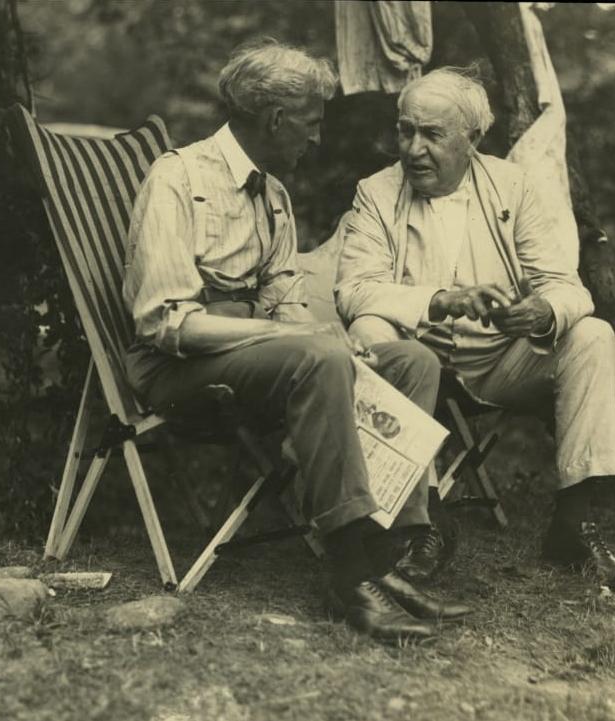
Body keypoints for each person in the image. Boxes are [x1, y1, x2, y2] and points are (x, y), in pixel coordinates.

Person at [122, 40, 470, 643]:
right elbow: (167, 324)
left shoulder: (275, 197)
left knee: (409, 359)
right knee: (319, 354)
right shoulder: (176, 178)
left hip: (263, 364)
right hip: (178, 372)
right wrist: (301, 337)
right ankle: (349, 574)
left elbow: (288, 306)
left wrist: (337, 341)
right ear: (276, 119)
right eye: (311, 125)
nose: (316, 140)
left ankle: (389, 555)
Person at [334, 66, 615, 592]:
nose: (413, 149)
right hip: (414, 363)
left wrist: (542, 312)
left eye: (432, 135)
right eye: (405, 130)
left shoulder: (512, 186)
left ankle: (576, 521)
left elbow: (568, 287)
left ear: (473, 139)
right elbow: (353, 289)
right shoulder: (376, 192)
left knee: (593, 335)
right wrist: (440, 300)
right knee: (368, 325)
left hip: (501, 362)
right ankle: (422, 524)